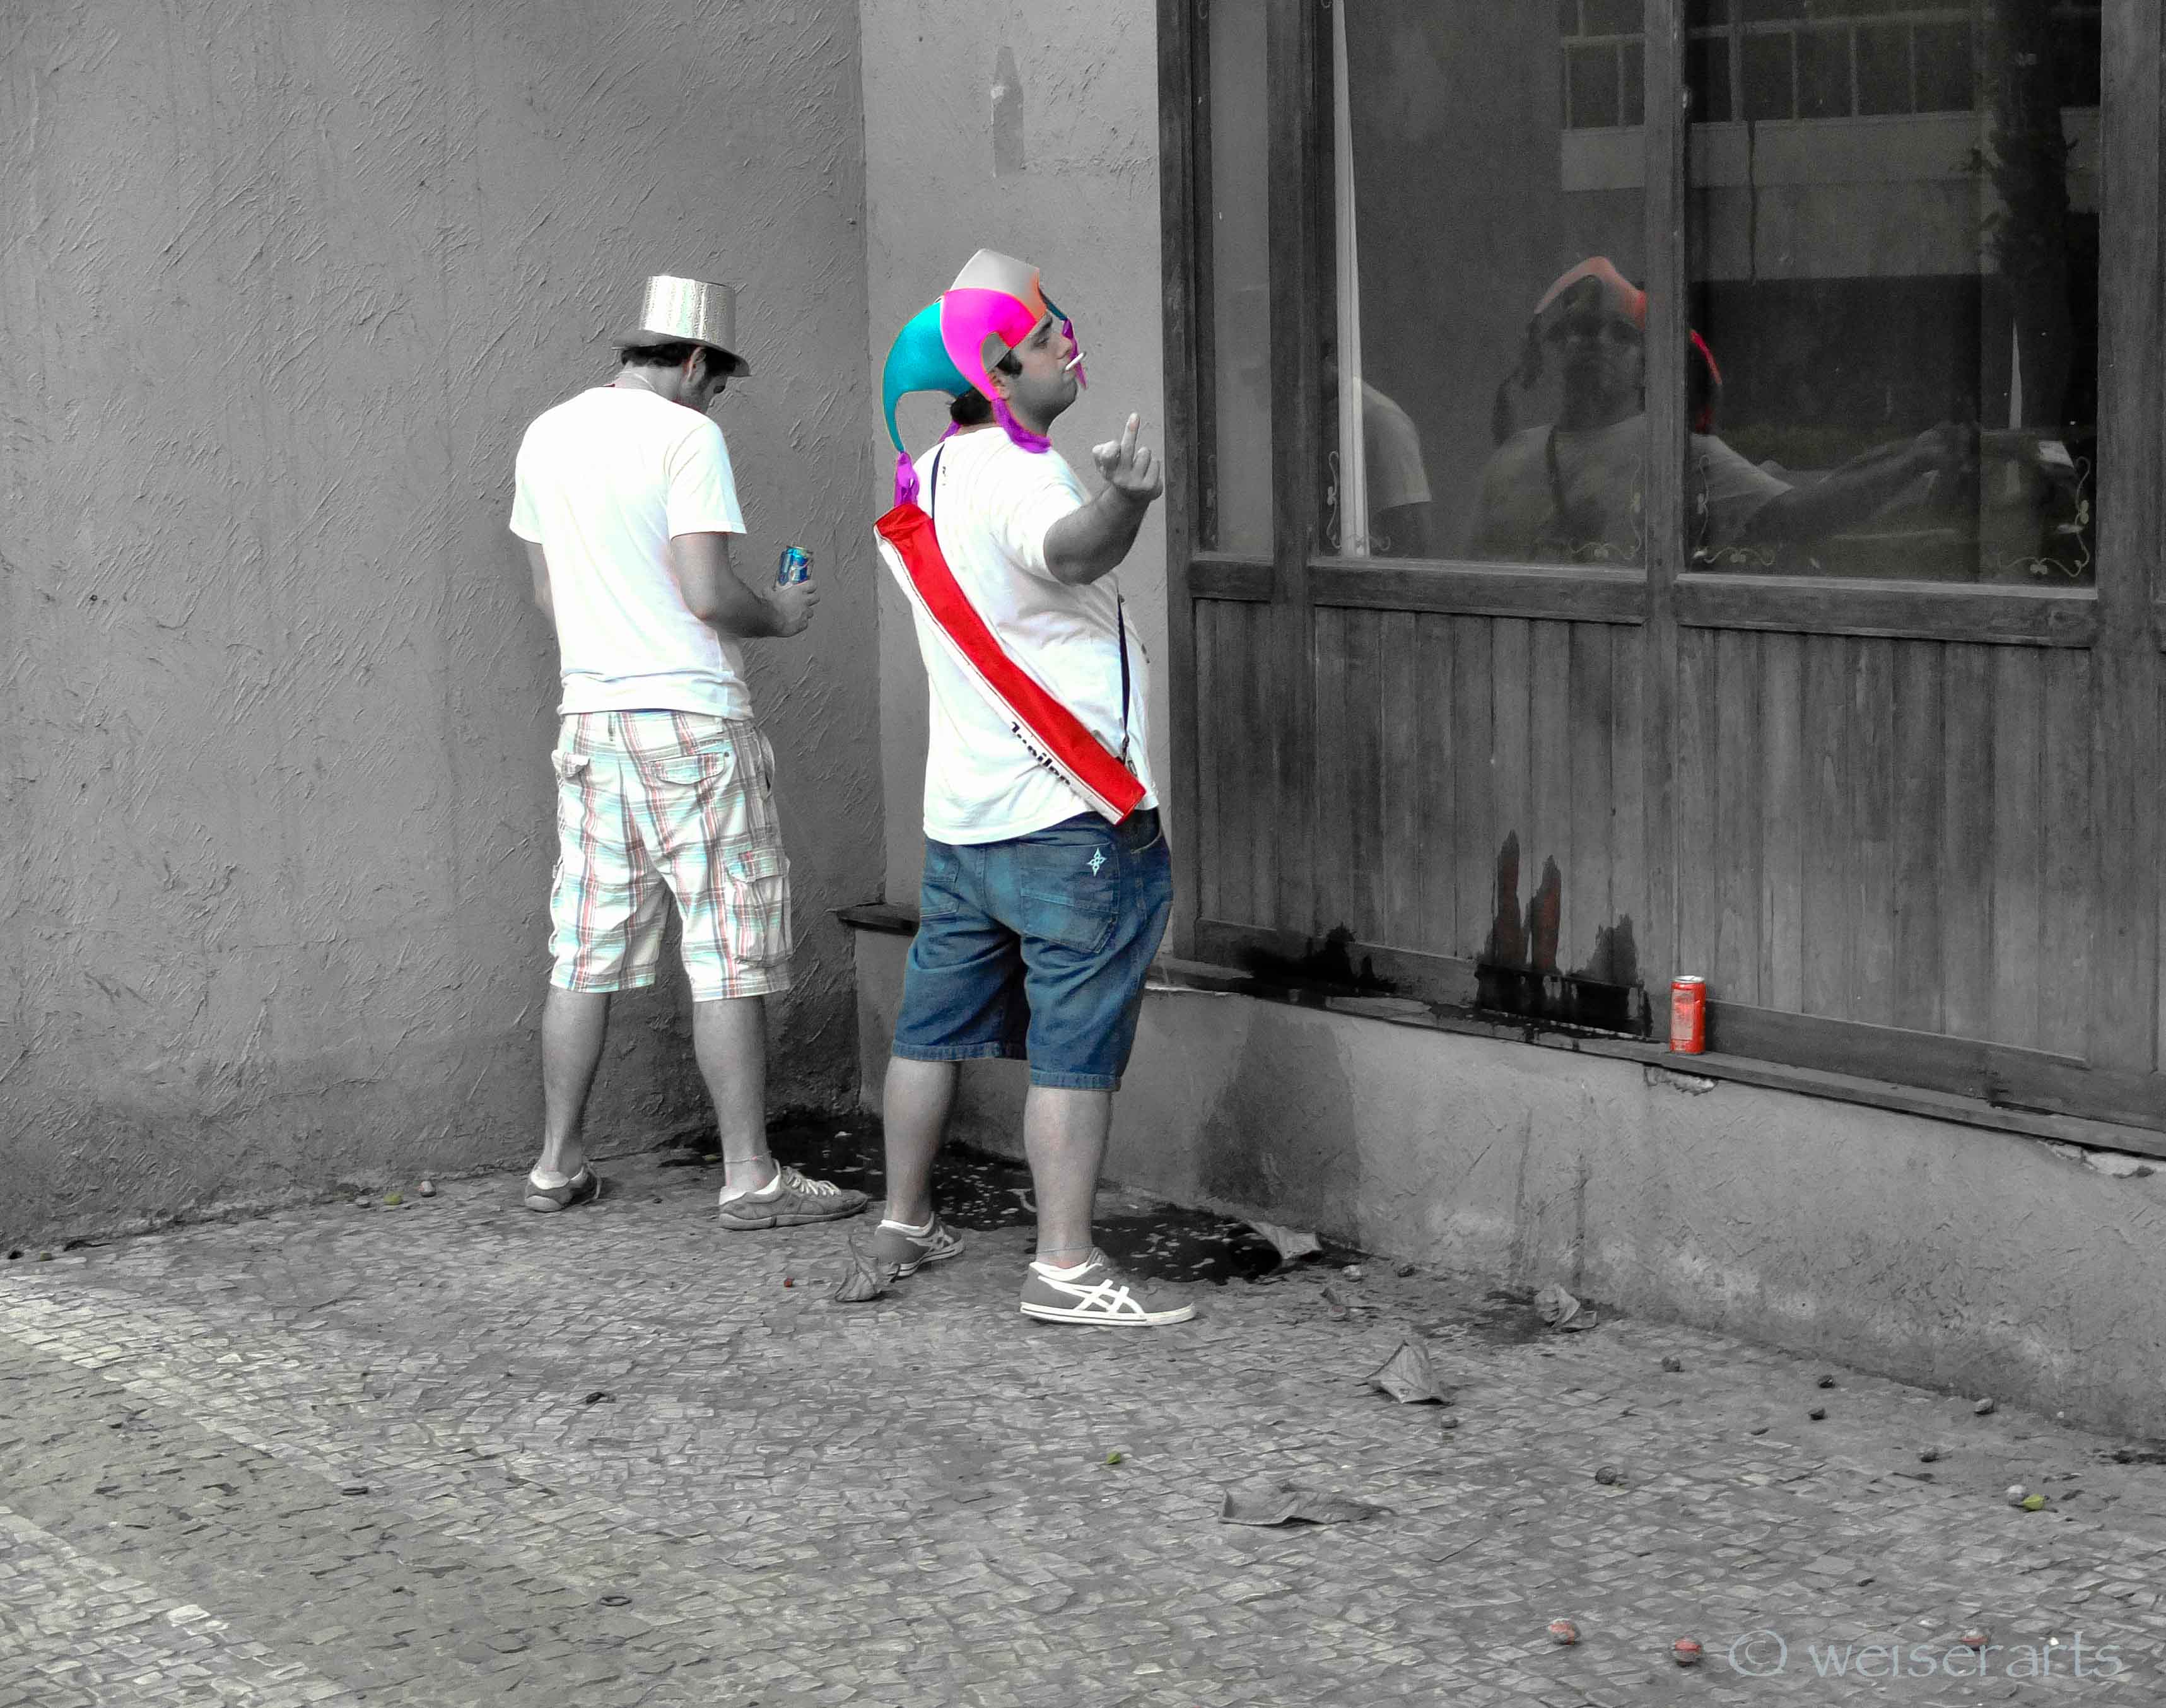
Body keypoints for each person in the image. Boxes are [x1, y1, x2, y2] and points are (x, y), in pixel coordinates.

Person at [867, 250, 1190, 1327]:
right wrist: (1125, 501)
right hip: (1066, 821)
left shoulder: (932, 474)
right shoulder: (1020, 472)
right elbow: (1067, 553)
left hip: (964, 823)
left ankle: (902, 1220)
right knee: (1074, 1051)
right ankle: (1063, 1266)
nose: (1070, 346)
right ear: (998, 370)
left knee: (928, 1032)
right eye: (1050, 336)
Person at [508, 273, 867, 1231]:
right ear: (697, 361)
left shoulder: (546, 434)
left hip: (591, 720)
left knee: (584, 948)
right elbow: (708, 593)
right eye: (719, 382)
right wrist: (778, 615)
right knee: (727, 947)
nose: (716, 400)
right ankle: (750, 1177)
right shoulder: (686, 437)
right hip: (692, 722)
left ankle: (556, 1165)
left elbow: (547, 594)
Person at [1468, 257, 1970, 566]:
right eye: (1577, 329)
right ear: (1556, 348)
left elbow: (1800, 515)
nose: (1594, 342)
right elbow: (1477, 574)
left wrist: (1913, 462)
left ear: (1646, 364)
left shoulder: (1680, 454)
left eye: (1619, 333)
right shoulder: (1511, 460)